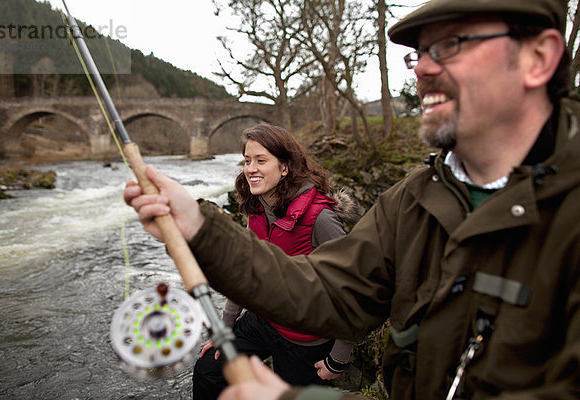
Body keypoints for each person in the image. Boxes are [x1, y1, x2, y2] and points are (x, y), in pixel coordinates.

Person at [124, 0, 580, 399]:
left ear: (537, 58)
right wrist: (199, 225)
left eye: (452, 44)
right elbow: (328, 289)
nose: (421, 67)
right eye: (419, 52)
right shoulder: (415, 198)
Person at [192, 124, 360, 399]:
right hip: (266, 319)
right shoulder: (256, 209)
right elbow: (246, 272)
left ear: (284, 167)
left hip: (307, 336)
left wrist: (339, 357)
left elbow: (352, 288)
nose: (251, 169)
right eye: (247, 161)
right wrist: (225, 327)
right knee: (209, 371)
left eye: (261, 160)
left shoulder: (321, 217)